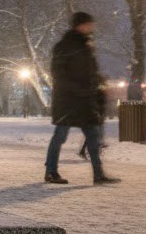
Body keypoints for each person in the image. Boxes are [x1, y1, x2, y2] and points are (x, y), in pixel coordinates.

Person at [44, 12, 120, 185]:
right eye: (87, 24)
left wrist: (100, 84)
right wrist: (77, 89)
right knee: (60, 136)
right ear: (79, 25)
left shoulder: (87, 45)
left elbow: (91, 72)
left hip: (85, 101)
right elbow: (58, 74)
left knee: (93, 137)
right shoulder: (64, 46)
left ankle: (98, 175)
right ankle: (51, 172)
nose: (91, 27)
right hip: (67, 101)